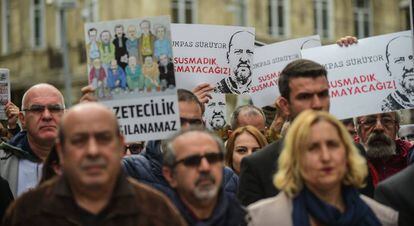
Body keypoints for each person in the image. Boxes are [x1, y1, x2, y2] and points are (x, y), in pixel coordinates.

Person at [2, 102, 186, 226]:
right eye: (79, 140)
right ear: (61, 150)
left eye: (103, 139)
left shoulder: (156, 210)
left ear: (120, 144)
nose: (92, 151)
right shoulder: (28, 212)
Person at [248, 110, 398, 226]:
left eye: (333, 145)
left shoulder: (383, 218)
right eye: (312, 147)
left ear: (347, 155)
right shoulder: (261, 219)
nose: (325, 157)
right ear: (295, 158)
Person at [238, 59, 330, 206]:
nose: (317, 104)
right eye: (305, 97)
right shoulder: (258, 166)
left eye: (323, 94)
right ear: (285, 105)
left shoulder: (354, 154)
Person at [122, 89, 239, 199]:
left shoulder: (226, 178)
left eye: (194, 122)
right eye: (179, 122)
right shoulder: (131, 169)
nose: (187, 129)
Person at [162, 127, 246, 225]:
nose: (205, 167)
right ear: (170, 175)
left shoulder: (247, 220)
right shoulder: (153, 219)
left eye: (213, 158)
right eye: (192, 160)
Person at [0, 83, 65, 197]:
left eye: (54, 109)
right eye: (37, 109)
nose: (47, 116)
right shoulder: (2, 163)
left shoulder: (85, 158)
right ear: (22, 119)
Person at [356, 112, 413, 187]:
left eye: (386, 121)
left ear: (397, 127)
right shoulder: (346, 161)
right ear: (357, 129)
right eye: (370, 121)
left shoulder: (410, 156)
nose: (379, 127)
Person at [381, 35, 414, 111]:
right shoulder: (384, 108)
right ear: (389, 69)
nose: (409, 67)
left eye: (412, 58)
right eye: (399, 60)